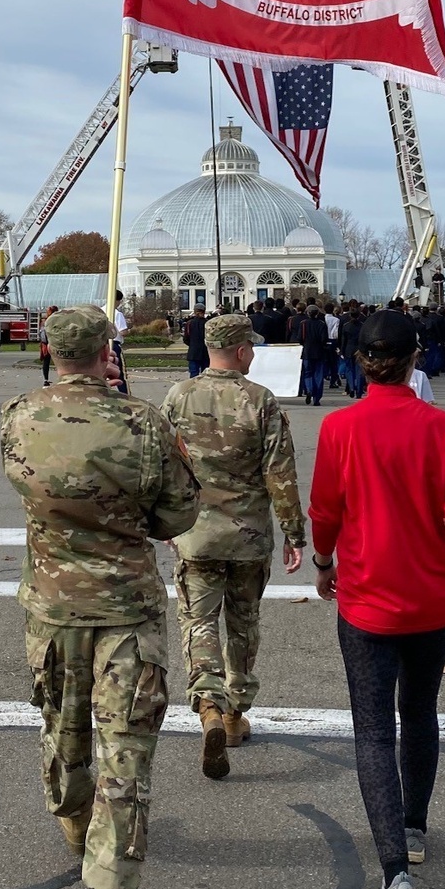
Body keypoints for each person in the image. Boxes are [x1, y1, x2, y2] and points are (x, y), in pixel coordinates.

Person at [1, 306, 199, 889]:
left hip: (53, 607)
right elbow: (178, 512)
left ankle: (72, 817)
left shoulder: (19, 416)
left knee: (61, 724)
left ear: (52, 350)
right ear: (106, 350)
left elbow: (28, 485)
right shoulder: (143, 422)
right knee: (125, 750)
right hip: (125, 611)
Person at [309, 310, 445, 889]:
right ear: (416, 357)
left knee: (372, 731)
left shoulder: (340, 428)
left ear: (361, 362)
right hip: (432, 602)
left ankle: (394, 875)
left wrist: (323, 563)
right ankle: (413, 826)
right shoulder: (443, 428)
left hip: (366, 599)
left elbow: (325, 510)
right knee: (419, 712)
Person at [161, 313, 306, 779]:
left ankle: (207, 703)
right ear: (242, 350)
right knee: (243, 624)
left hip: (195, 535)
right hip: (248, 537)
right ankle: (235, 712)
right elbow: (279, 473)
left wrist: (164, 523)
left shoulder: (178, 397)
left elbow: (163, 465)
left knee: (198, 620)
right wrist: (294, 533)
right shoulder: (260, 401)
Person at [299, 304, 329, 405]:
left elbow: (300, 338)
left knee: (308, 373)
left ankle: (309, 389)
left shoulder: (303, 324)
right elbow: (324, 339)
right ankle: (317, 398)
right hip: (319, 352)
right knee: (318, 375)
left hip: (307, 351)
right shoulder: (321, 324)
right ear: (317, 313)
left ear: (307, 313)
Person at [183, 305, 209, 377]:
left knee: (193, 375)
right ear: (204, 312)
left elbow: (186, 339)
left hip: (193, 352)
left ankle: (193, 387)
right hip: (205, 352)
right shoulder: (208, 323)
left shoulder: (189, 323)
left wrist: (192, 344)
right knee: (206, 375)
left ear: (194, 312)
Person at [39, 305, 59, 385]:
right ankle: (60, 379)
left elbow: (41, 333)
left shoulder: (45, 321)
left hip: (46, 343)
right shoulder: (57, 321)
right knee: (58, 361)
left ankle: (46, 379)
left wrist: (44, 342)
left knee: (46, 362)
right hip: (54, 343)